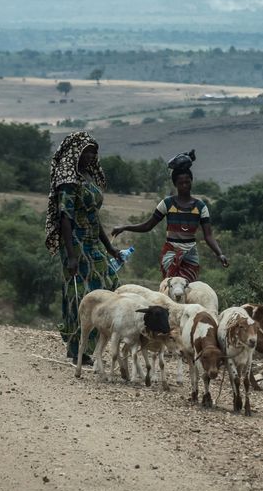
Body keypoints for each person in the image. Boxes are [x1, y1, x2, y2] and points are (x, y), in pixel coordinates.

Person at [44, 131, 123, 365]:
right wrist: (70, 254)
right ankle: (76, 347)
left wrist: (109, 248)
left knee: (108, 283)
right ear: (74, 152)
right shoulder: (67, 181)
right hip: (75, 242)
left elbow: (94, 216)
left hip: (92, 241)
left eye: (93, 152)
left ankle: (94, 345)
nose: (90, 156)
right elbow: (65, 217)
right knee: (78, 296)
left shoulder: (88, 177)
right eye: (86, 151)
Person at [111, 156, 228, 282]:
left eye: (187, 182)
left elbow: (208, 235)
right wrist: (124, 227)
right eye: (180, 183)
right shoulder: (167, 204)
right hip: (171, 253)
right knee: (172, 286)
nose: (184, 185)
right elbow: (148, 226)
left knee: (190, 287)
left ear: (191, 181)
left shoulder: (200, 207)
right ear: (175, 184)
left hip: (191, 254)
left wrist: (219, 254)